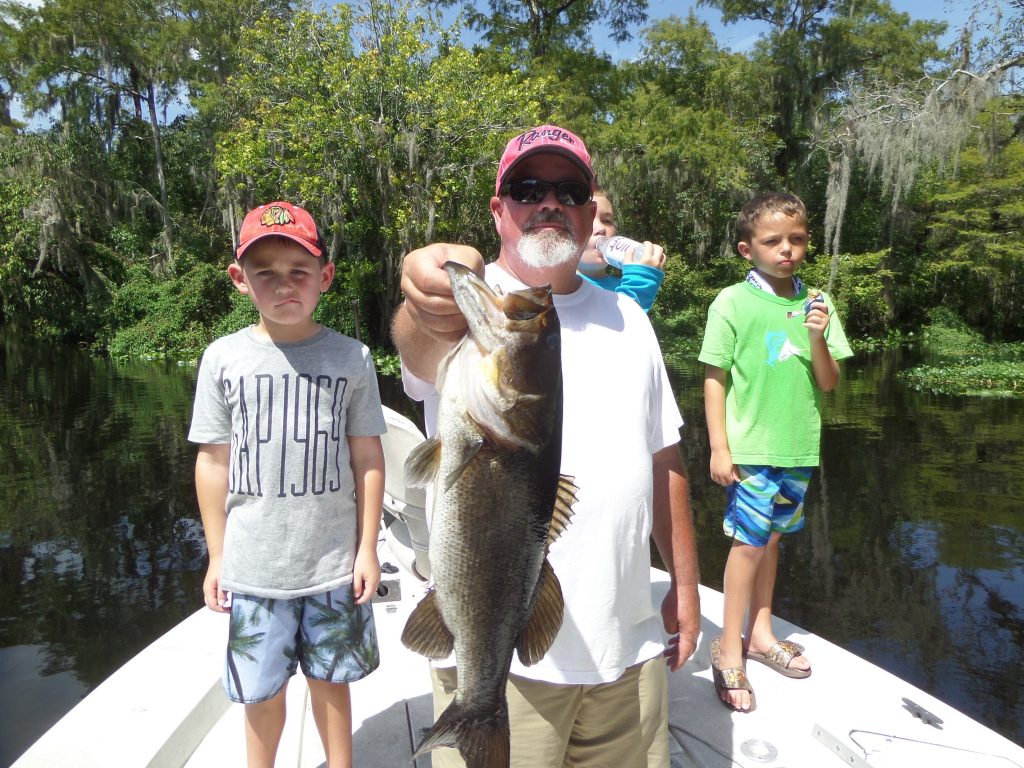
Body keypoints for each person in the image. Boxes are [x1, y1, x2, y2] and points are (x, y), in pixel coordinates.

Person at [391, 124, 701, 768]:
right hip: (502, 665)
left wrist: (687, 584)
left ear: (590, 214)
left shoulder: (631, 319)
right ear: (498, 209)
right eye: (528, 189)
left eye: (570, 191)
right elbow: (420, 343)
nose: (550, 202)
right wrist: (422, 296)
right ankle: (475, 711)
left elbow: (665, 460)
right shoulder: (471, 313)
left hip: (628, 650)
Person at [188, 201, 386, 768]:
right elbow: (212, 463)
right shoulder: (222, 359)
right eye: (265, 273)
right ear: (240, 279)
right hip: (254, 567)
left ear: (325, 276)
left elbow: (368, 457)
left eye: (299, 270)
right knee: (260, 692)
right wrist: (217, 556)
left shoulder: (353, 358)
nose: (283, 285)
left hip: (333, 564)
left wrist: (368, 548)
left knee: (331, 682)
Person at [698, 192, 853, 713]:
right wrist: (719, 447)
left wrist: (817, 336)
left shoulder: (820, 303)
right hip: (749, 449)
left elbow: (828, 382)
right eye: (772, 241)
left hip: (798, 448)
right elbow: (715, 379)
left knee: (771, 541)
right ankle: (729, 649)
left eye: (797, 239)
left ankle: (761, 634)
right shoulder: (731, 302)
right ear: (748, 249)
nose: (786, 249)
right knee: (747, 544)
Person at [577, 185, 666, 312]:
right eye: (587, 220)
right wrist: (639, 287)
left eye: (607, 221)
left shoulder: (624, 286)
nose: (601, 228)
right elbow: (609, 323)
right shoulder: (561, 292)